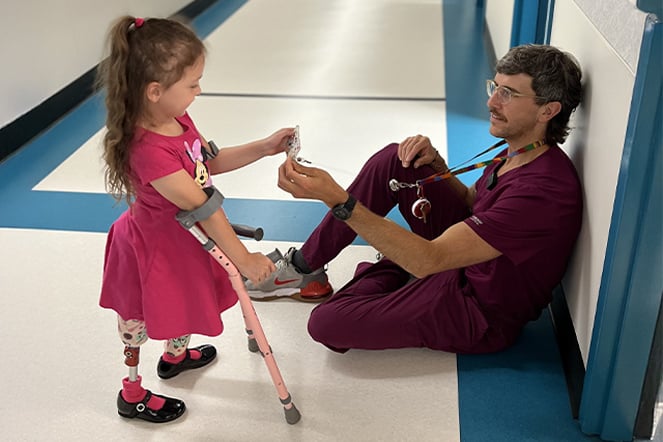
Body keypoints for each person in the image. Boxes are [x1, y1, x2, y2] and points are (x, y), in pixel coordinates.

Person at [249, 44, 584, 355]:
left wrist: (339, 200)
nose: (492, 102)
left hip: (476, 308)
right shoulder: (520, 150)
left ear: (547, 111)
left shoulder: (542, 191)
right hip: (466, 260)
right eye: (494, 87)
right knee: (395, 160)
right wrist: (436, 163)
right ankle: (305, 267)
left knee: (328, 322)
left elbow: (430, 260)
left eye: (508, 94)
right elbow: (474, 202)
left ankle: (394, 265)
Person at [97, 16, 293, 423]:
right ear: (155, 91)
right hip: (152, 246)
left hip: (185, 238)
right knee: (140, 315)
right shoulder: (149, 150)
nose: (199, 90)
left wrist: (265, 146)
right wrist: (245, 259)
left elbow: (209, 163)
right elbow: (204, 206)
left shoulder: (177, 119)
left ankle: (176, 356)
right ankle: (130, 391)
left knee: (181, 298)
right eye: (192, 83)